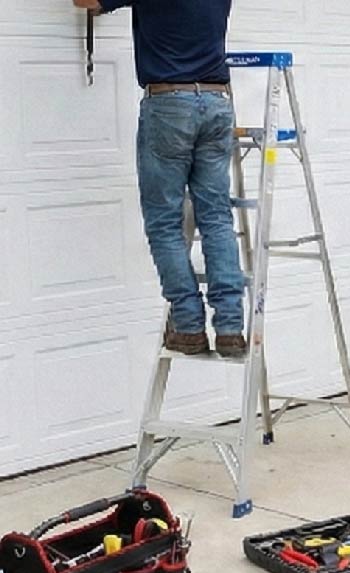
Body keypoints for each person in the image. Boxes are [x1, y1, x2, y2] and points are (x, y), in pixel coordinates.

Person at [74, 0, 245, 357]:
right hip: (217, 101)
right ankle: (230, 327)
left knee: (164, 222)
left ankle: (189, 325)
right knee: (216, 217)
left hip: (169, 104)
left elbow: (85, 1)